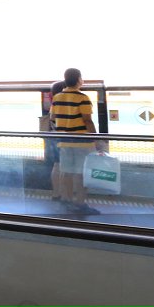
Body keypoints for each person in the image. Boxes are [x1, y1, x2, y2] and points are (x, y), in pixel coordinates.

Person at [51, 68, 103, 215]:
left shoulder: (57, 97)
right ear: (79, 79)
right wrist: (96, 138)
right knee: (81, 174)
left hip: (64, 141)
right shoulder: (83, 97)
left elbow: (53, 118)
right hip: (82, 141)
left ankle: (66, 201)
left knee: (66, 172)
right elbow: (87, 120)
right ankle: (80, 203)